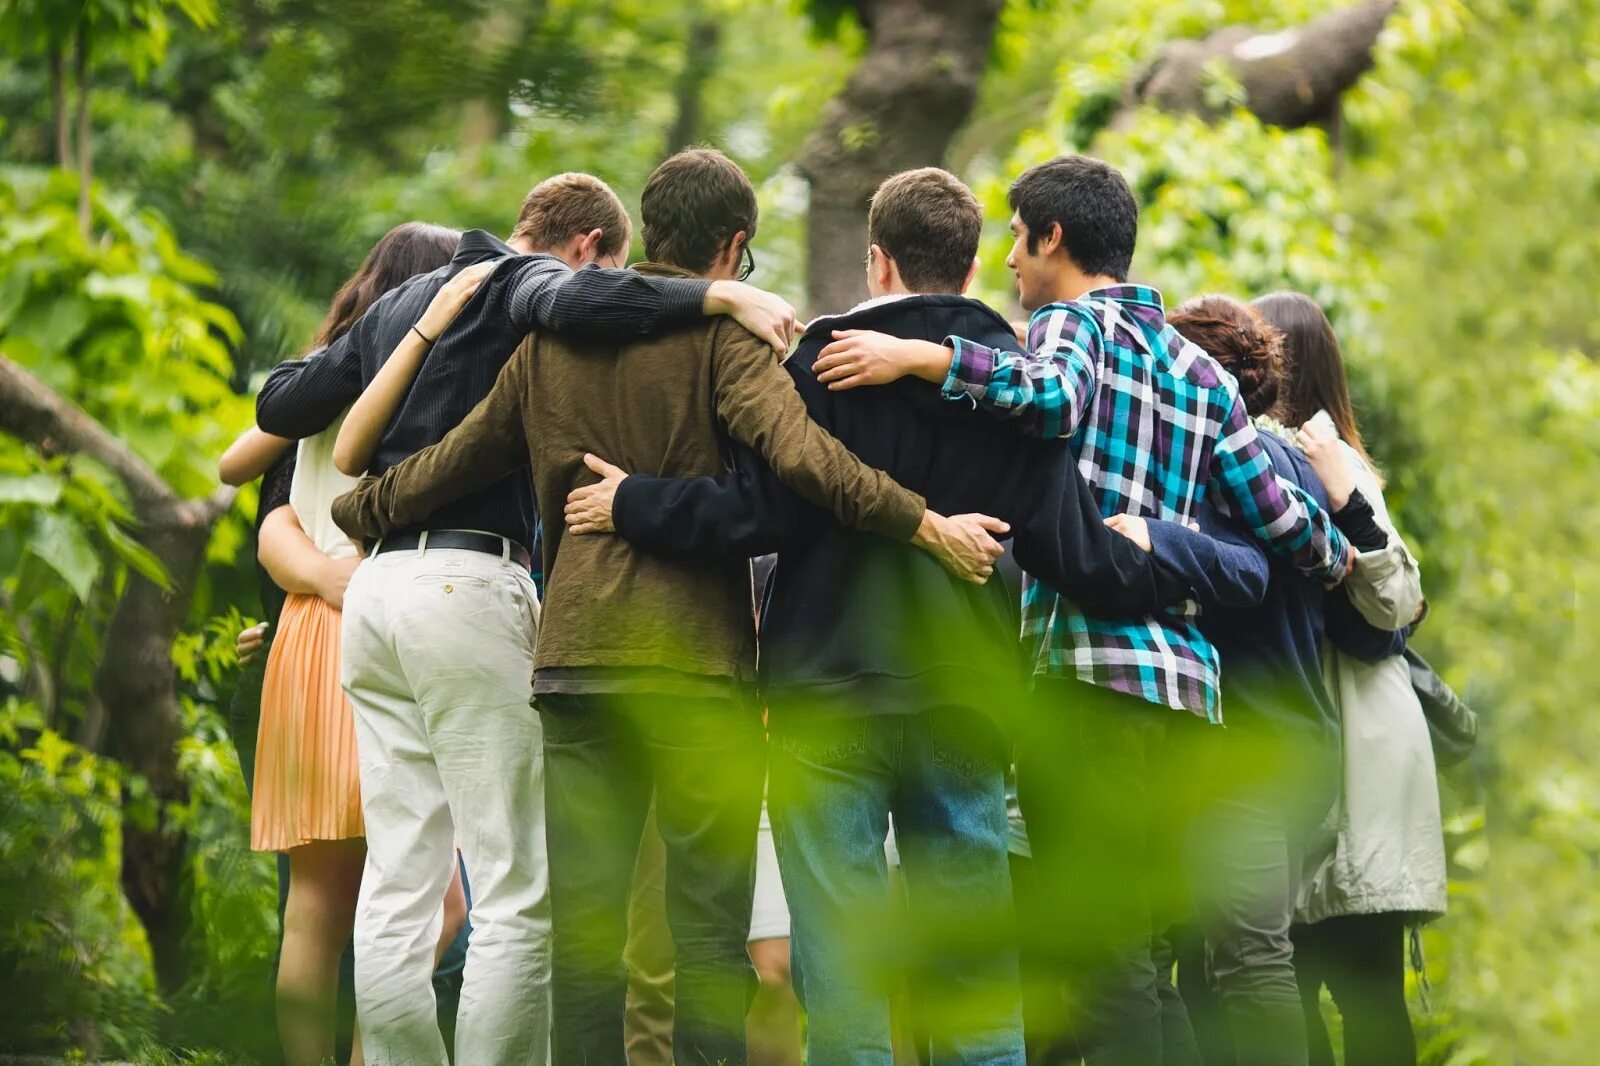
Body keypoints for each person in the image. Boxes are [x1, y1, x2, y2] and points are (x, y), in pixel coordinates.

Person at [330, 149, 1006, 1066]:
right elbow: (806, 464)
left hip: (575, 669)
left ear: (649, 230)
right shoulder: (727, 340)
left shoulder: (545, 350)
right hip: (697, 675)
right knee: (705, 937)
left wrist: (357, 511)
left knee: (585, 935)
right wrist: (922, 522)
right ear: (733, 245)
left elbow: (448, 463)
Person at [559, 166, 1215, 1065]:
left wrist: (634, 502)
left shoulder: (821, 364)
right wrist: (1191, 571)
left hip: (825, 694)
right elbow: (1078, 556)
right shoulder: (1013, 381)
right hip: (967, 701)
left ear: (878, 263)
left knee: (846, 984)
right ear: (975, 263)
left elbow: (756, 512)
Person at [804, 155, 1353, 1065]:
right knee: (1145, 948)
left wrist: (919, 353)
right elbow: (1280, 520)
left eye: (1017, 238)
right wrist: (1340, 555)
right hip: (1184, 701)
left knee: (1109, 962)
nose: (1010, 262)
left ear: (1053, 237)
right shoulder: (1201, 374)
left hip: (1086, 676)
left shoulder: (1070, 326)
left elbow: (1049, 397)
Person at [256, 170, 798, 1066]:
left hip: (375, 593)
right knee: (513, 888)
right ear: (588, 248)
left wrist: (353, 518)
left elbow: (281, 404)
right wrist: (720, 293)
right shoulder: (528, 285)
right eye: (611, 269)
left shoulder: (403, 304)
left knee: (399, 879)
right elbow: (584, 303)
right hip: (465, 586)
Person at [217, 222, 476, 1066]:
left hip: (307, 639)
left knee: (316, 907)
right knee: (429, 905)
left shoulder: (315, 388)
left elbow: (249, 483)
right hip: (390, 620)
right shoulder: (428, 381)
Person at [1253, 291, 1443, 1066]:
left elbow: (1397, 603)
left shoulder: (1339, 468)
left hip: (1356, 760)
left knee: (1361, 994)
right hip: (1313, 751)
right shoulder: (1250, 461)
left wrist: (1345, 495)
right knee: (1291, 989)